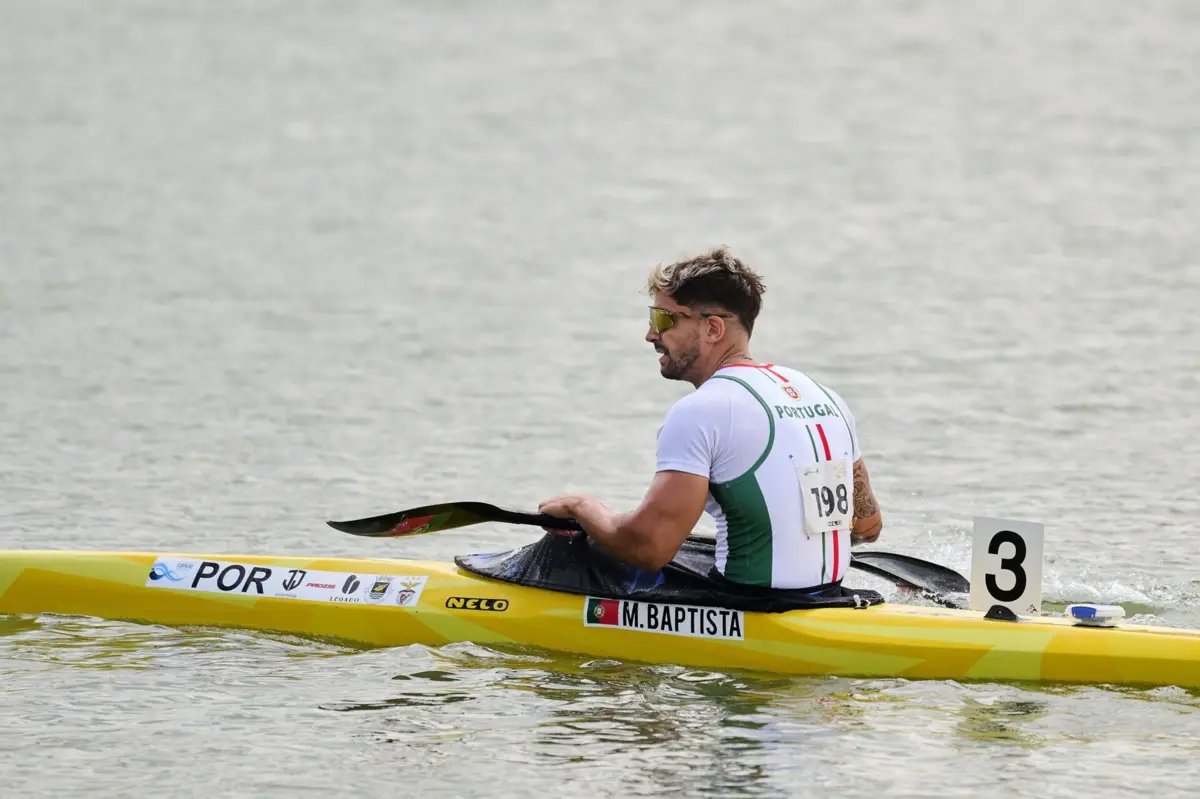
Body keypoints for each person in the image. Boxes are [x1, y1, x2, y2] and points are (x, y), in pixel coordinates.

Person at [538, 247, 882, 591]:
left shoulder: (700, 411)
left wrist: (582, 507)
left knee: (578, 550)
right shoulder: (824, 396)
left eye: (662, 319)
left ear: (713, 328)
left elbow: (649, 547)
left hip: (750, 603)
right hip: (829, 596)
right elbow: (867, 526)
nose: (651, 335)